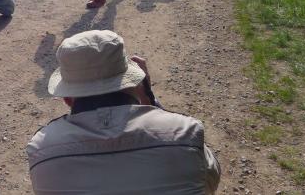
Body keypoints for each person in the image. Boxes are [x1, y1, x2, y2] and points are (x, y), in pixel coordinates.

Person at [26, 29, 221, 194]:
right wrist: (149, 101)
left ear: (67, 99)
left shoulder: (41, 151)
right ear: (136, 83)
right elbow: (209, 182)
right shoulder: (185, 133)